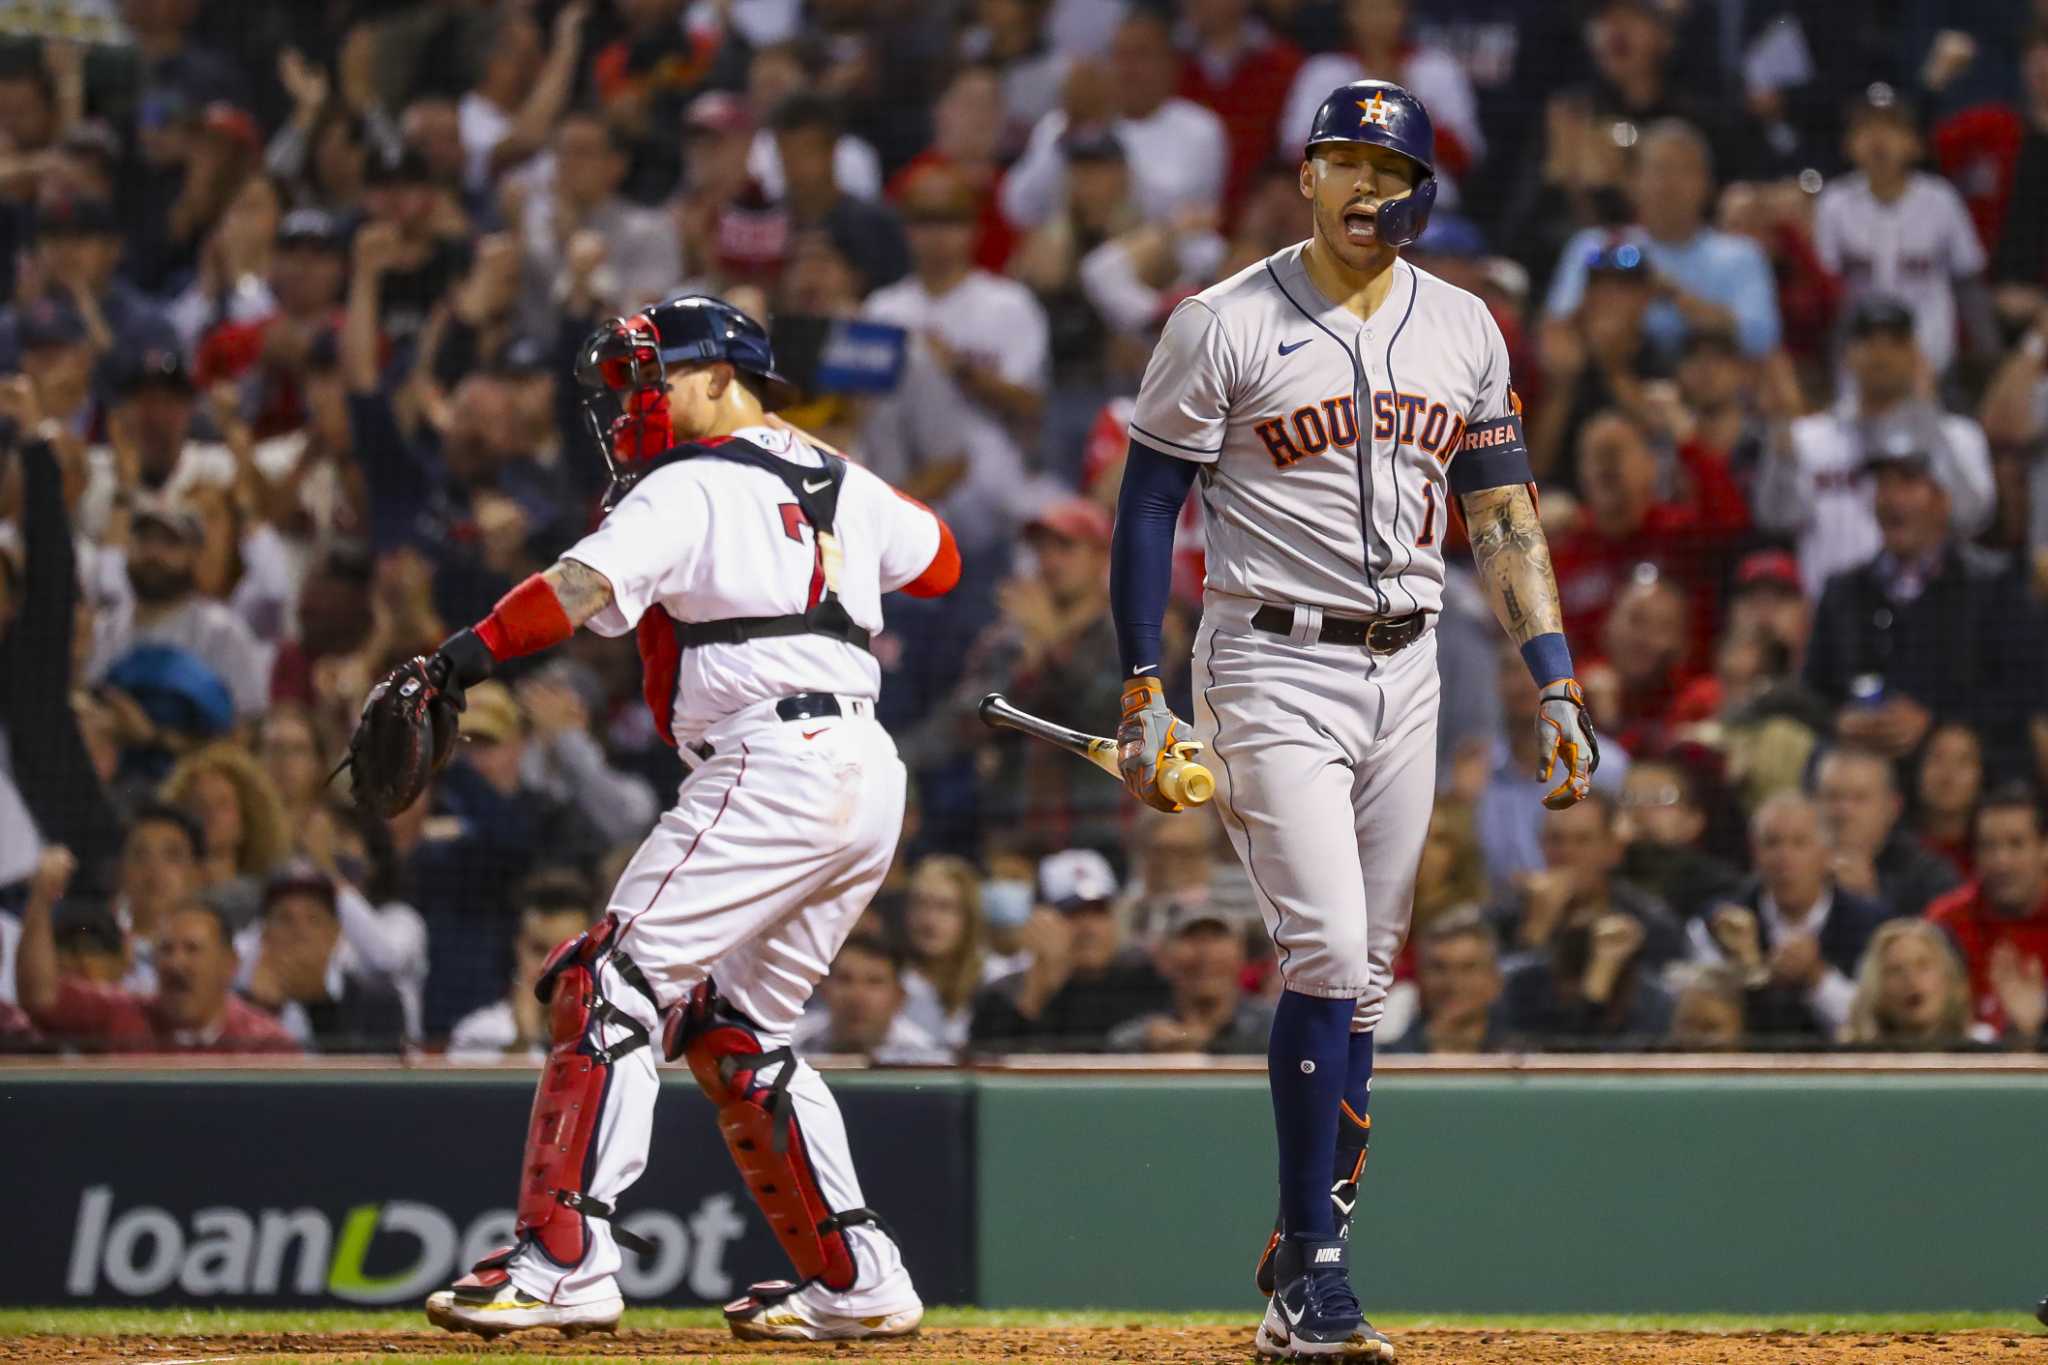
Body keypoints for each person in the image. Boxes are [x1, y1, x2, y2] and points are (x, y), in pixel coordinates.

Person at [1106, 80, 1597, 1361]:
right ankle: (1317, 1277)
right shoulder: (1221, 323)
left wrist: (1551, 678)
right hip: (1268, 661)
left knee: (1368, 979)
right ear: (1304, 177)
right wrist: (1142, 687)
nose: (1361, 186)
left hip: (1414, 663)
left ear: (1420, 191)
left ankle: (1295, 1251)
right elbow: (1146, 507)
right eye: (1339, 161)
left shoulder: (1467, 328)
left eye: (1385, 167)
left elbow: (1497, 510)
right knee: (1325, 951)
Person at [374, 295, 957, 1343]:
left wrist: (454, 658)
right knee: (737, 1030)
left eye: (651, 378)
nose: (628, 401)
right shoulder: (837, 475)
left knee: (607, 983)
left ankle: (564, 1259)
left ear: (722, 379)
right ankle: (860, 1277)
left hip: (772, 757)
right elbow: (941, 561)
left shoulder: (688, 483)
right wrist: (807, 478)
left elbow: (574, 585)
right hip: (863, 771)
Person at [1801, 435, 2045, 771]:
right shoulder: (1843, 591)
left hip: (1967, 773)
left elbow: (2024, 691)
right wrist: (1840, 719)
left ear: (1943, 499)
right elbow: (1812, 690)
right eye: (1883, 484)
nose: (1892, 499)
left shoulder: (1995, 586)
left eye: (1908, 482)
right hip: (1860, 768)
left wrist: (1935, 719)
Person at [1756, 294, 1995, 598]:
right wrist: (1780, 427)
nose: (1881, 353)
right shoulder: (1807, 437)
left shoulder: (1958, 434)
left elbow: (1970, 516)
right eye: (1868, 341)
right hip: (1832, 622)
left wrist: (1928, 421)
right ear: (1846, 355)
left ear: (1917, 354)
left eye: (1895, 342)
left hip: (1931, 619)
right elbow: (1777, 519)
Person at [14, 846, 296, 1054]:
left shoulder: (265, 1044)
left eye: (192, 949)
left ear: (229, 964)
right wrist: (40, 900)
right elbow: (41, 997)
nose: (176, 962)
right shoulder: (122, 1014)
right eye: (166, 950)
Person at [1814, 84, 1993, 379]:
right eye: (1866, 128)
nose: (1879, 139)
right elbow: (1825, 297)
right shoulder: (1834, 203)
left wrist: (1988, 358)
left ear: (1915, 144)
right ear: (1848, 145)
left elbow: (1969, 283)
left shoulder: (1941, 200)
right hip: (1855, 370)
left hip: (1932, 366)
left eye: (1892, 128)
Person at [1691, 792, 1890, 1045]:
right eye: (1772, 843)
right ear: (1754, 854)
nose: (1784, 858)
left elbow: (1879, 1022)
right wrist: (1747, 975)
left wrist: (1817, 978)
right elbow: (1699, 1017)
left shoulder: (1872, 924)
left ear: (1826, 854)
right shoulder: (1719, 923)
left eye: (1799, 843)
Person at [968, 848, 1170, 1051]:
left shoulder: (1148, 982)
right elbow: (992, 1064)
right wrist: (1035, 995)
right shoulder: (1003, 995)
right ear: (1039, 921)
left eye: (1099, 912)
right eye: (1073, 913)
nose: (1089, 929)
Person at [1924, 787, 2048, 1041]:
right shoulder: (1946, 921)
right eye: (1988, 846)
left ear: (2044, 848)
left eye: (2016, 844)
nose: (2001, 861)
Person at [241, 867, 407, 1053]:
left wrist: (320, 1005)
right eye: (285, 919)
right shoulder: (236, 1004)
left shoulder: (378, 1002)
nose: (299, 932)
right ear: (265, 934)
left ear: (335, 933)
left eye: (313, 919)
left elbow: (374, 1079)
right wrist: (262, 1011)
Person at [446, 870, 597, 1063]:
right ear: (518, 948)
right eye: (539, 950)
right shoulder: (476, 1035)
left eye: (567, 953)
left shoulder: (609, 1035)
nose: (552, 967)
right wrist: (524, 1043)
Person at [1811, 744, 1961, 920]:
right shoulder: (1785, 860)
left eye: (1859, 798)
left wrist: (1872, 899)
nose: (1843, 812)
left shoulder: (1930, 877)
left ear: (1893, 807)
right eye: (1832, 796)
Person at [1105, 900, 1271, 1054]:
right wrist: (1148, 1047)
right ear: (1163, 958)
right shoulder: (1142, 1033)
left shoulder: (1273, 1028)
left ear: (1241, 954)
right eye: (1192, 938)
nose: (1206, 954)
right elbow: (1117, 1043)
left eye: (1217, 938)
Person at [791, 934, 951, 1063]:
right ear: (824, 990)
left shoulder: (928, 1062)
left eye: (874, 982)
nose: (857, 996)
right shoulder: (789, 1047)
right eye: (845, 979)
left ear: (899, 997)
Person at [897, 854, 996, 1050]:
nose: (929, 921)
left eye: (945, 907)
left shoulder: (994, 981)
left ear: (969, 918)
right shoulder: (889, 981)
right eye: (920, 905)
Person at [1841, 919, 1980, 1048]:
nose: (1911, 980)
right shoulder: (1846, 1062)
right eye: (1895, 970)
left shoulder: (1985, 1057)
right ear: (1876, 989)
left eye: (1923, 966)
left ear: (1948, 978)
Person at [1383, 909, 1502, 1054]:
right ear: (1419, 977)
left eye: (1468, 968)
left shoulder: (1530, 1055)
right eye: (1438, 969)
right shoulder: (1388, 1063)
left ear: (1494, 979)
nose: (1453, 983)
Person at [1912, 723, 1982, 878]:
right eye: (1937, 758)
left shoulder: (1995, 854)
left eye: (1963, 761)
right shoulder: (1895, 849)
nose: (1948, 774)